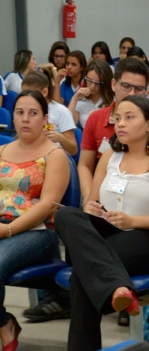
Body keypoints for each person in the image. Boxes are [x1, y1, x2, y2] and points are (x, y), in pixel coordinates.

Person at [55, 96, 149, 351]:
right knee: (65, 215)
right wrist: (91, 207)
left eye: (129, 117)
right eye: (117, 118)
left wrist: (133, 220)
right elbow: (91, 203)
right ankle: (118, 286)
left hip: (147, 238)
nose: (120, 124)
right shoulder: (110, 157)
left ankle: (114, 289)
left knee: (82, 277)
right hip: (104, 235)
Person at [0, 89, 70, 351]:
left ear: (45, 119)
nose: (25, 119)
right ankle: (4, 321)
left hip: (37, 232)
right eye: (20, 113)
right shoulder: (1, 150)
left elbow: (47, 206)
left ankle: (4, 326)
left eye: (33, 113)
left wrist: (7, 230)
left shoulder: (55, 155)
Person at [78, 57, 149, 202]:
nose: (131, 93)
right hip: (102, 188)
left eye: (139, 89)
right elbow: (85, 165)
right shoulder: (96, 118)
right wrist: (89, 197)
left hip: (143, 194)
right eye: (126, 86)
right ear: (113, 85)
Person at [22, 68, 78, 156]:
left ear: (44, 92)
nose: (26, 97)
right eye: (23, 94)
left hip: (57, 158)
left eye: (30, 94)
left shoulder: (61, 111)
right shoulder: (23, 111)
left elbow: (73, 150)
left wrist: (61, 138)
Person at [68, 59, 115, 129]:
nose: (92, 86)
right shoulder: (81, 99)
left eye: (98, 83)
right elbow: (69, 123)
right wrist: (75, 98)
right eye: (89, 81)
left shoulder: (113, 100)